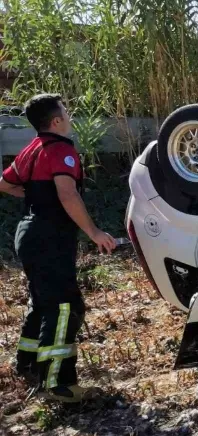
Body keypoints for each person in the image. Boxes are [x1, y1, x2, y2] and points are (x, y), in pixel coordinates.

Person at [0, 93, 116, 403]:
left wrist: (36, 197)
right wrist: (94, 232)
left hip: (28, 233)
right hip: (50, 237)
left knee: (42, 302)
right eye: (66, 111)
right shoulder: (62, 150)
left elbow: (4, 182)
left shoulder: (31, 149)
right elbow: (67, 195)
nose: (69, 115)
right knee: (66, 307)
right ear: (56, 120)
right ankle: (59, 384)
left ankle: (26, 363)